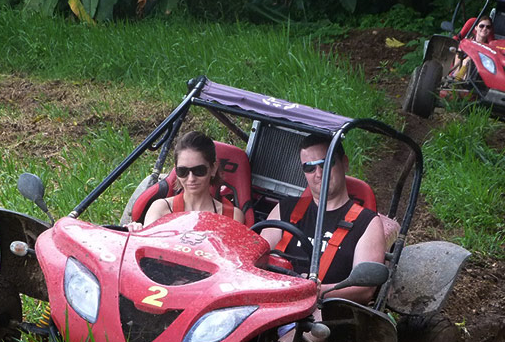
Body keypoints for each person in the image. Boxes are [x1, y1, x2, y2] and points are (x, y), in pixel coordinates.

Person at [261, 134, 387, 305]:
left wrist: (318, 291)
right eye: (309, 168)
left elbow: (365, 289)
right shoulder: (285, 209)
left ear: (345, 163)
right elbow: (256, 257)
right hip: (270, 302)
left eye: (326, 164)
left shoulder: (367, 223)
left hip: (324, 316)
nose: (319, 174)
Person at [126, 131, 245, 231]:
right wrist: (135, 232)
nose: (191, 178)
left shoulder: (232, 216)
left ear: (213, 169)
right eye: (183, 171)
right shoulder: (161, 208)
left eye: (199, 170)